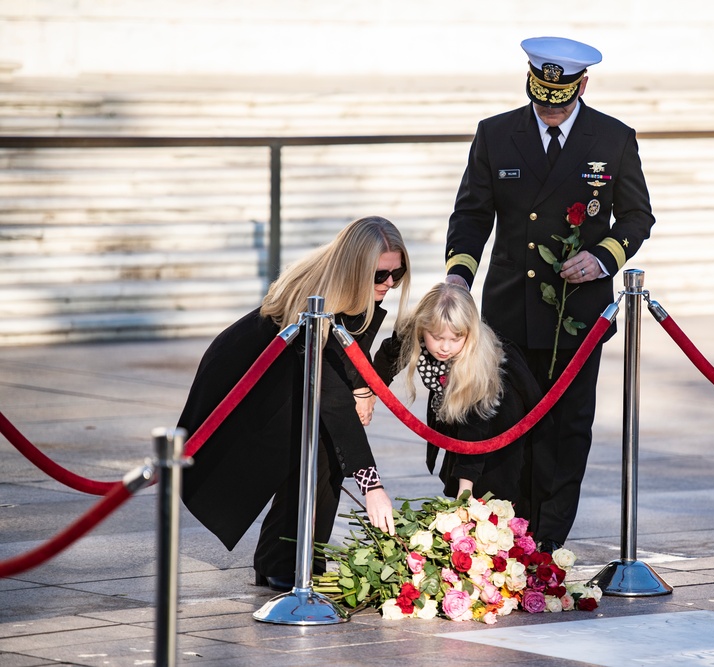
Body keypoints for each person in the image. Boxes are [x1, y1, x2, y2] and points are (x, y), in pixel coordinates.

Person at [444, 36, 656, 552]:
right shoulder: (496, 134)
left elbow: (636, 217)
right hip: (511, 311)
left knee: (565, 431)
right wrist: (458, 278)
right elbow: (473, 215)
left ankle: (546, 545)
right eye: (542, 100)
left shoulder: (613, 138)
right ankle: (505, 539)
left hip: (578, 316)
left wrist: (603, 256)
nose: (550, 110)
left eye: (559, 101)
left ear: (582, 86)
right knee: (506, 425)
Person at [177, 215, 410, 592]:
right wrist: (372, 486)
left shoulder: (351, 290)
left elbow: (350, 364)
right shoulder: (320, 303)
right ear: (354, 268)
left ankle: (293, 557)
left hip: (286, 381)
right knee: (318, 450)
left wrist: (369, 383)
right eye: (378, 276)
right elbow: (333, 399)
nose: (388, 284)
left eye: (395, 275)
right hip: (248, 385)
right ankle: (285, 560)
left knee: (324, 450)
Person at [373, 282, 545, 512]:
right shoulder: (414, 330)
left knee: (492, 491)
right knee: (456, 482)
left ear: (469, 334)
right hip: (458, 415)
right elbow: (387, 359)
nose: (445, 347)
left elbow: (474, 430)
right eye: (437, 337)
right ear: (423, 327)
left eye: (455, 339)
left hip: (499, 415)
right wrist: (366, 393)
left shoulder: (478, 363)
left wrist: (465, 495)